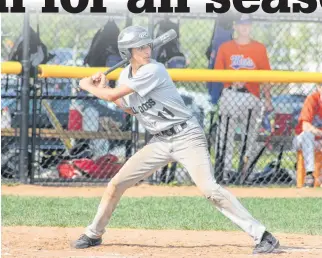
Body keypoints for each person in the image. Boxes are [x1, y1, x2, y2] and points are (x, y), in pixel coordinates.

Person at [71, 25, 279, 254]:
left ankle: (263, 236)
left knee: (209, 189)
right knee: (116, 184)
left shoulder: (155, 70)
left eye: (147, 45)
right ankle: (94, 233)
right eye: (139, 47)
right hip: (160, 141)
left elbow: (111, 96)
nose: (147, 50)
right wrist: (105, 87)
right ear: (126, 52)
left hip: (186, 136)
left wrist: (88, 86)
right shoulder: (124, 76)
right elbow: (129, 108)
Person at [213, 14, 273, 183]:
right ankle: (223, 172)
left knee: (250, 135)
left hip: (251, 96)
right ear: (235, 26)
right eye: (241, 24)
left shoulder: (259, 48)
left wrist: (267, 99)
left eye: (247, 24)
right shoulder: (225, 47)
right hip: (230, 93)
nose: (244, 27)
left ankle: (244, 172)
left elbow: (266, 76)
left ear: (251, 26)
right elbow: (217, 73)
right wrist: (231, 78)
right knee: (225, 134)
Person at [293, 83, 322, 187]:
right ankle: (309, 174)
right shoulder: (312, 99)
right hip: (302, 140)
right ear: (319, 88)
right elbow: (306, 127)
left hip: (319, 141)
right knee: (307, 135)